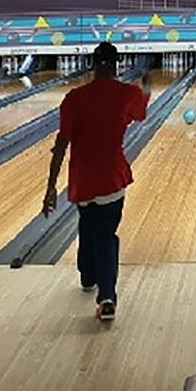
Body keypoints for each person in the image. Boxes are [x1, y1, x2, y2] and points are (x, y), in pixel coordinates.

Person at [42, 42, 151, 321]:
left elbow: (61, 143)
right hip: (112, 179)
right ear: (116, 65)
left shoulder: (74, 98)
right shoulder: (128, 93)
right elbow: (141, 111)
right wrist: (147, 85)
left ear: (93, 65)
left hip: (82, 180)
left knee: (88, 225)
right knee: (106, 236)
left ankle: (88, 276)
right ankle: (107, 297)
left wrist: (51, 187)